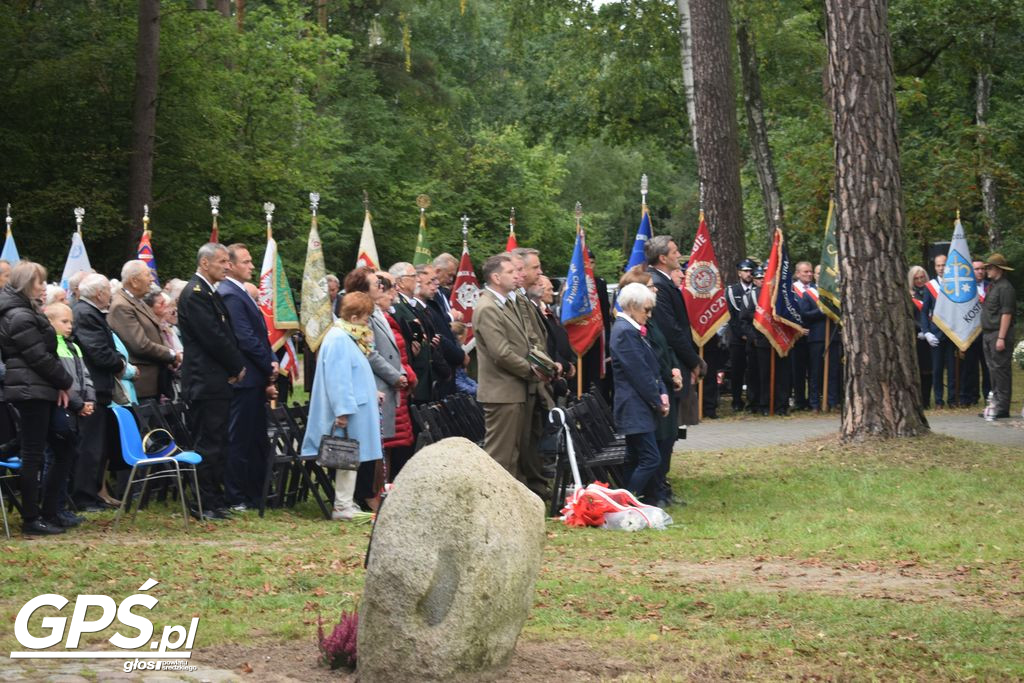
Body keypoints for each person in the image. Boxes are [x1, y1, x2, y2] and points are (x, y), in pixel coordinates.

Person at [0, 261, 74, 535]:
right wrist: (65, 382)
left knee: (64, 445)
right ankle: (32, 519)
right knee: (33, 454)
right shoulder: (18, 315)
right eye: (39, 281)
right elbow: (38, 357)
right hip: (31, 390)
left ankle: (50, 511)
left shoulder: (26, 310)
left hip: (39, 387)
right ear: (27, 283)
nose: (44, 286)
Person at [177, 243, 246, 521]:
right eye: (221, 262)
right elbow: (212, 337)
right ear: (205, 263)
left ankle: (215, 500)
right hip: (204, 380)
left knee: (218, 441)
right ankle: (203, 502)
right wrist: (236, 365)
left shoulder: (209, 292)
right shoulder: (195, 294)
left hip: (215, 380)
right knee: (207, 442)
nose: (227, 266)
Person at [301, 292, 384, 521]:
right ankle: (343, 505)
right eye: (366, 317)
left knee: (352, 457)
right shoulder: (339, 338)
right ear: (355, 317)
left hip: (358, 407)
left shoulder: (347, 337)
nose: (367, 322)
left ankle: (346, 503)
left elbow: (355, 373)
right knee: (347, 456)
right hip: (350, 411)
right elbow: (339, 379)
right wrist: (343, 411)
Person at [219, 243, 277, 512]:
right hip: (245, 379)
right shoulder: (230, 294)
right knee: (240, 438)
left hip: (254, 378)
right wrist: (268, 365)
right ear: (229, 265)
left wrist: (270, 362)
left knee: (255, 438)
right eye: (246, 261)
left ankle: (256, 492)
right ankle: (235, 495)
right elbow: (245, 338)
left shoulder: (239, 292)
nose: (252, 266)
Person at [344, 267, 407, 508]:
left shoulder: (376, 312)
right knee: (373, 445)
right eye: (375, 284)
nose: (381, 287)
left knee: (382, 446)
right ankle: (367, 494)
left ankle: (377, 490)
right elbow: (370, 353)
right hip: (377, 384)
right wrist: (394, 376)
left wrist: (400, 373)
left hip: (387, 385)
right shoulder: (361, 316)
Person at [473, 253, 538, 477]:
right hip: (501, 392)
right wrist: (531, 369)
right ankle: (491, 506)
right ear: (496, 278)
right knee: (500, 457)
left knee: (512, 455)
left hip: (512, 389)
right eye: (510, 272)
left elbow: (525, 342)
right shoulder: (488, 307)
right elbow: (501, 353)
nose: (516, 276)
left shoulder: (505, 303)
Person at [71, 273, 126, 511]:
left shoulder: (90, 312)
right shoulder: (85, 313)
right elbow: (99, 352)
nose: (111, 296)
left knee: (98, 446)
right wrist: (120, 363)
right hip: (91, 389)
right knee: (89, 447)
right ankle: (83, 496)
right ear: (100, 293)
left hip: (99, 389)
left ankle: (92, 493)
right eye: (108, 292)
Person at [610, 282, 668, 501]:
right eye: (646, 310)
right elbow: (639, 373)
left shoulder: (631, 330)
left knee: (635, 457)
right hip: (634, 406)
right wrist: (657, 400)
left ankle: (629, 499)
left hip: (639, 405)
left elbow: (651, 365)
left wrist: (661, 391)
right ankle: (628, 500)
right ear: (632, 307)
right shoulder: (625, 332)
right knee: (650, 458)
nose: (649, 315)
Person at [44, 302, 94, 528]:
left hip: (78, 408)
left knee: (68, 459)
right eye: (64, 322)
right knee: (56, 460)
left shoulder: (73, 346)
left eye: (71, 322)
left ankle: (62, 507)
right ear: (49, 322)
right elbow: (59, 380)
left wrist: (89, 399)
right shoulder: (52, 347)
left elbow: (85, 375)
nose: (70, 326)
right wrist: (77, 403)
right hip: (63, 409)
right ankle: (53, 508)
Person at [107, 260, 180, 402]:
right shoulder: (121, 306)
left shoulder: (137, 301)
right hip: (142, 386)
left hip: (153, 383)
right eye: (148, 275)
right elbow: (140, 344)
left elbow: (156, 332)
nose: (152, 279)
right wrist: (170, 354)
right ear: (134, 281)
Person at [645, 236, 703, 392]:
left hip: (678, 360)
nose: (678, 255)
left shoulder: (663, 282)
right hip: (673, 362)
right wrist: (693, 361)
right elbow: (670, 329)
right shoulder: (658, 284)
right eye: (675, 252)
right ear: (663, 258)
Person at [377, 271, 417, 479]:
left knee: (397, 445)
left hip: (401, 385)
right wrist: (401, 375)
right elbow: (376, 356)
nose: (394, 293)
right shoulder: (375, 318)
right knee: (387, 446)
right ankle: (382, 487)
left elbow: (403, 348)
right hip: (389, 385)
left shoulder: (391, 316)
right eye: (391, 287)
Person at [980, 253, 1015, 418]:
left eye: (990, 267)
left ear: (998, 269)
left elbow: (1006, 314)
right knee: (992, 370)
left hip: (997, 334)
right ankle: (994, 404)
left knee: (1001, 370)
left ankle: (1002, 407)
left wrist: (1001, 337)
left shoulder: (1005, 288)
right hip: (988, 333)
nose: (987, 270)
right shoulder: (994, 285)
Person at [920, 253, 957, 407]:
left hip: (953, 333)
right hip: (936, 333)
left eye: (944, 265)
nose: (941, 268)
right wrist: (927, 331)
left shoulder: (955, 284)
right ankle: (939, 400)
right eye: (938, 265)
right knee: (937, 369)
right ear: (934, 267)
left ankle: (953, 400)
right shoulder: (930, 286)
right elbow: (924, 311)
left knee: (953, 369)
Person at [725, 258, 758, 412]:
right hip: (737, 337)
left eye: (751, 271)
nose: (749, 274)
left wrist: (750, 335)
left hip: (754, 337)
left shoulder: (757, 291)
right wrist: (742, 334)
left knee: (753, 370)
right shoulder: (732, 290)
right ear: (739, 273)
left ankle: (753, 400)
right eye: (745, 271)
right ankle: (737, 400)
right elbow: (733, 315)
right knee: (737, 370)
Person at [959, 259, 991, 407]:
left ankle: (989, 396)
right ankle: (969, 397)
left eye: (982, 269)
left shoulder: (990, 287)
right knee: (969, 368)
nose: (980, 271)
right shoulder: (965, 288)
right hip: (971, 333)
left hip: (986, 333)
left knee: (988, 367)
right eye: (977, 269)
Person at [790, 261, 815, 410]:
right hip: (797, 335)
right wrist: (797, 329)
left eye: (810, 271)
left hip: (814, 334)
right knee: (797, 370)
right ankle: (799, 400)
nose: (809, 274)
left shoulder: (816, 289)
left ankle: (813, 400)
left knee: (813, 369)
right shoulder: (791, 290)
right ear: (797, 274)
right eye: (805, 272)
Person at [908, 266, 933, 408]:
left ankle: (926, 400)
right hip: (917, 336)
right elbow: (910, 316)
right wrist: (922, 329)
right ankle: (917, 401)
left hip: (931, 335)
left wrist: (929, 330)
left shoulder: (931, 292)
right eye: (916, 278)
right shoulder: (909, 295)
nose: (919, 280)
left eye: (922, 277)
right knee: (918, 369)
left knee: (929, 370)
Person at [450, 321, 478, 396]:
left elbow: (464, 377)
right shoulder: (455, 354)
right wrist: (476, 390)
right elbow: (458, 381)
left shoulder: (458, 351)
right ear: (460, 337)